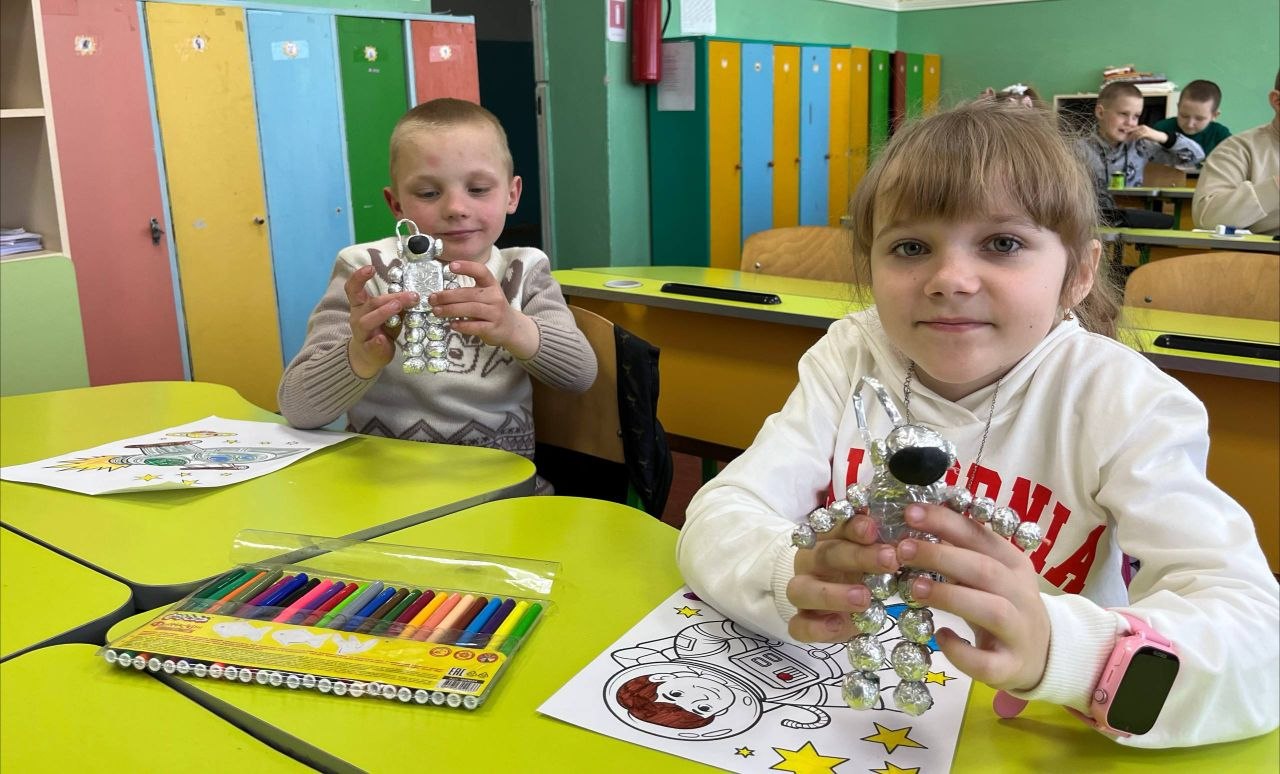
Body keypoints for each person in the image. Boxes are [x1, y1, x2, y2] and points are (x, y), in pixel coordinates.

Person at [677, 100, 1278, 748]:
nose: (950, 279)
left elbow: (1257, 640)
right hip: (849, 711)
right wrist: (788, 573)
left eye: (1003, 244)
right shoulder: (851, 356)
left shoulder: (1123, 399)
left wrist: (1065, 653)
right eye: (911, 247)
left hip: (1037, 730)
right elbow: (719, 516)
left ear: (1078, 273)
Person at [278, 98, 597, 485]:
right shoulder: (365, 270)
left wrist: (513, 327)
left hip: (500, 488)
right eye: (429, 193)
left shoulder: (524, 270)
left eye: (478, 189)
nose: (456, 208)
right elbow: (298, 408)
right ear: (396, 204)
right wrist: (359, 356)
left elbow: (579, 375)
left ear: (512, 195)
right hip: (382, 486)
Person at [1079, 82, 1204, 227]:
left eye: (1136, 116)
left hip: (1131, 222)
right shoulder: (1078, 149)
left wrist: (1162, 136)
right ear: (1101, 112)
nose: (1130, 123)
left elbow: (1196, 156)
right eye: (1123, 114)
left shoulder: (1141, 145)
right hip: (1089, 223)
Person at [1193, 71, 1280, 235]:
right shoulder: (1237, 149)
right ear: (1277, 101)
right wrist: (1275, 188)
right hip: (1259, 250)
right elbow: (1207, 219)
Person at [1152, 79, 1232, 157]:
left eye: (1199, 119)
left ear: (1214, 115)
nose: (1190, 124)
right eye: (1184, 116)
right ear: (1178, 107)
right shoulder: (1161, 129)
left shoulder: (1221, 135)